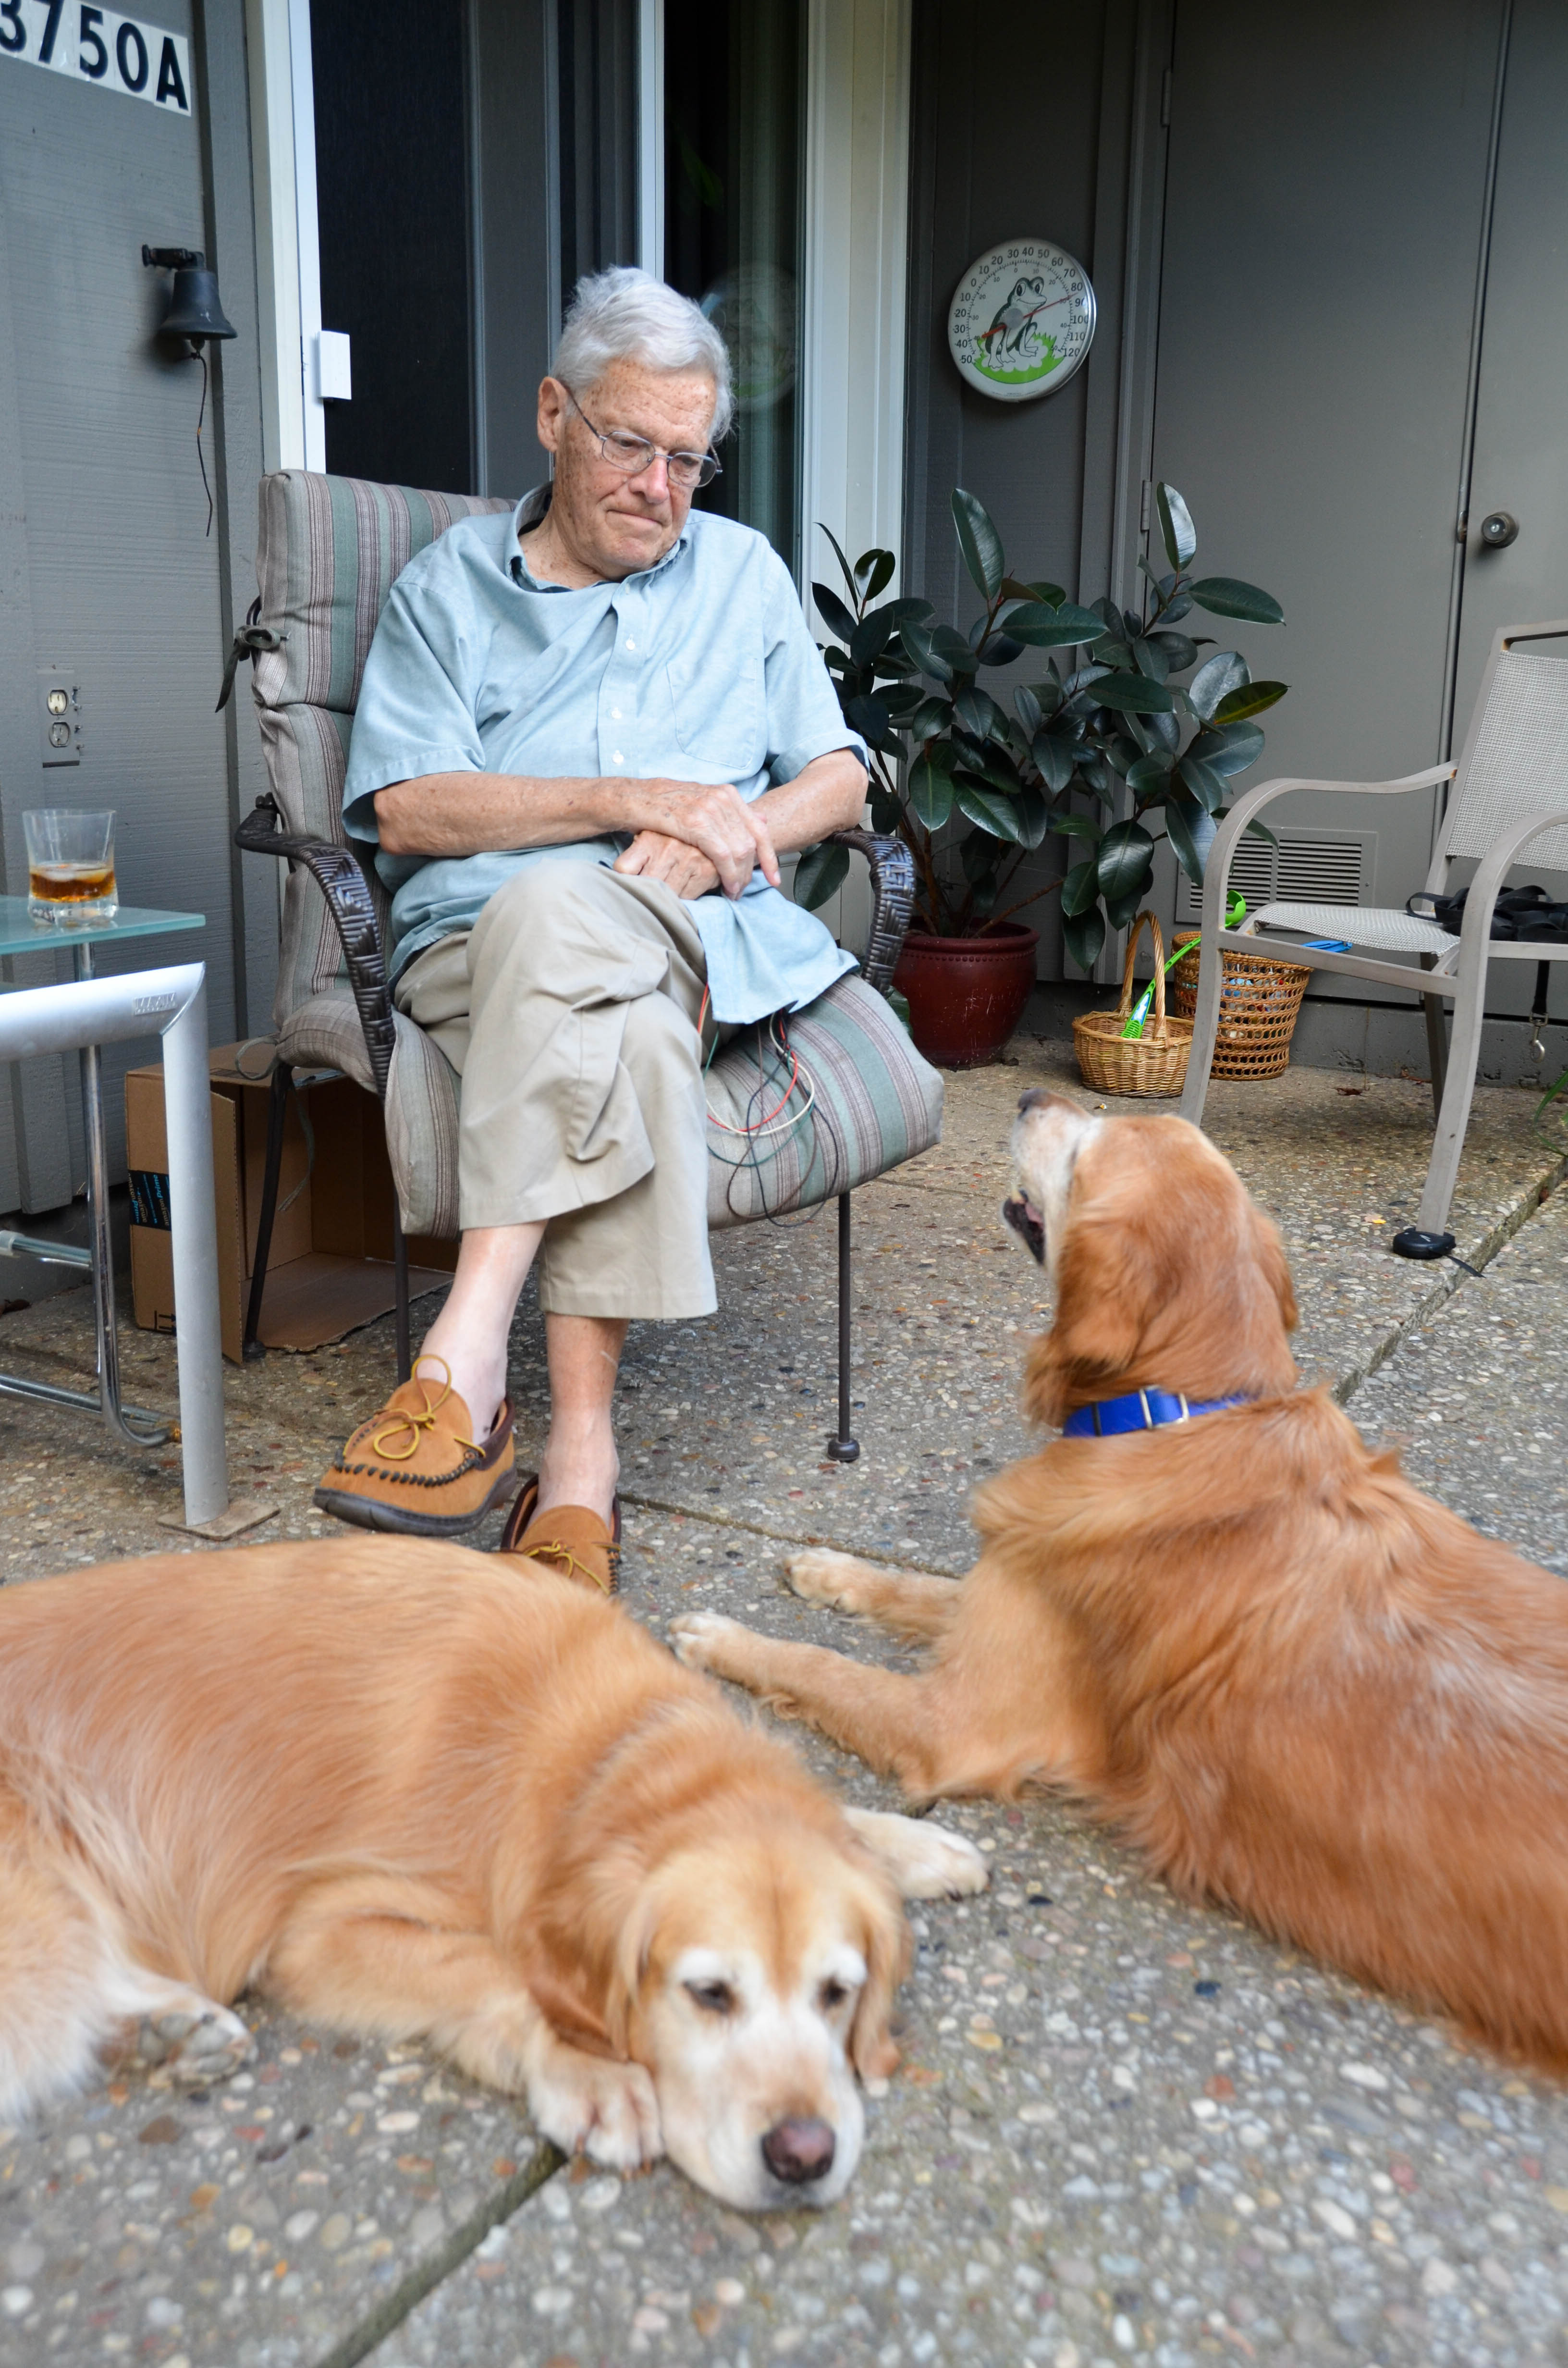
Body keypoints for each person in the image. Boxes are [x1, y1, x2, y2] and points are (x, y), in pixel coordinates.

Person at [314, 267, 868, 1591]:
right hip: (484, 950)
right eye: (632, 445)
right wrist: (631, 800)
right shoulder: (452, 590)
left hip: (699, 935)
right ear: (556, 414)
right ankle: (581, 1466)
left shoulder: (742, 576)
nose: (662, 489)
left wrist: (730, 830)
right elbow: (402, 807)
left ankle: (462, 1358)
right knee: (602, 985)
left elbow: (841, 776)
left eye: (690, 459)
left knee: (597, 928)